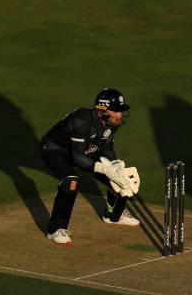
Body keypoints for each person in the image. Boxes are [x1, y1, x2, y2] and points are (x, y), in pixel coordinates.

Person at [40, 88, 141, 245]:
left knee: (122, 177)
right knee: (71, 182)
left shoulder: (112, 122)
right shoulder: (81, 121)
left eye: (121, 111)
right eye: (116, 111)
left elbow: (106, 148)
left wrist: (116, 167)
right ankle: (55, 230)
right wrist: (105, 169)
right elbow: (78, 158)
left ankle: (114, 215)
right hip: (55, 150)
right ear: (102, 109)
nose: (120, 115)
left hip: (85, 147)